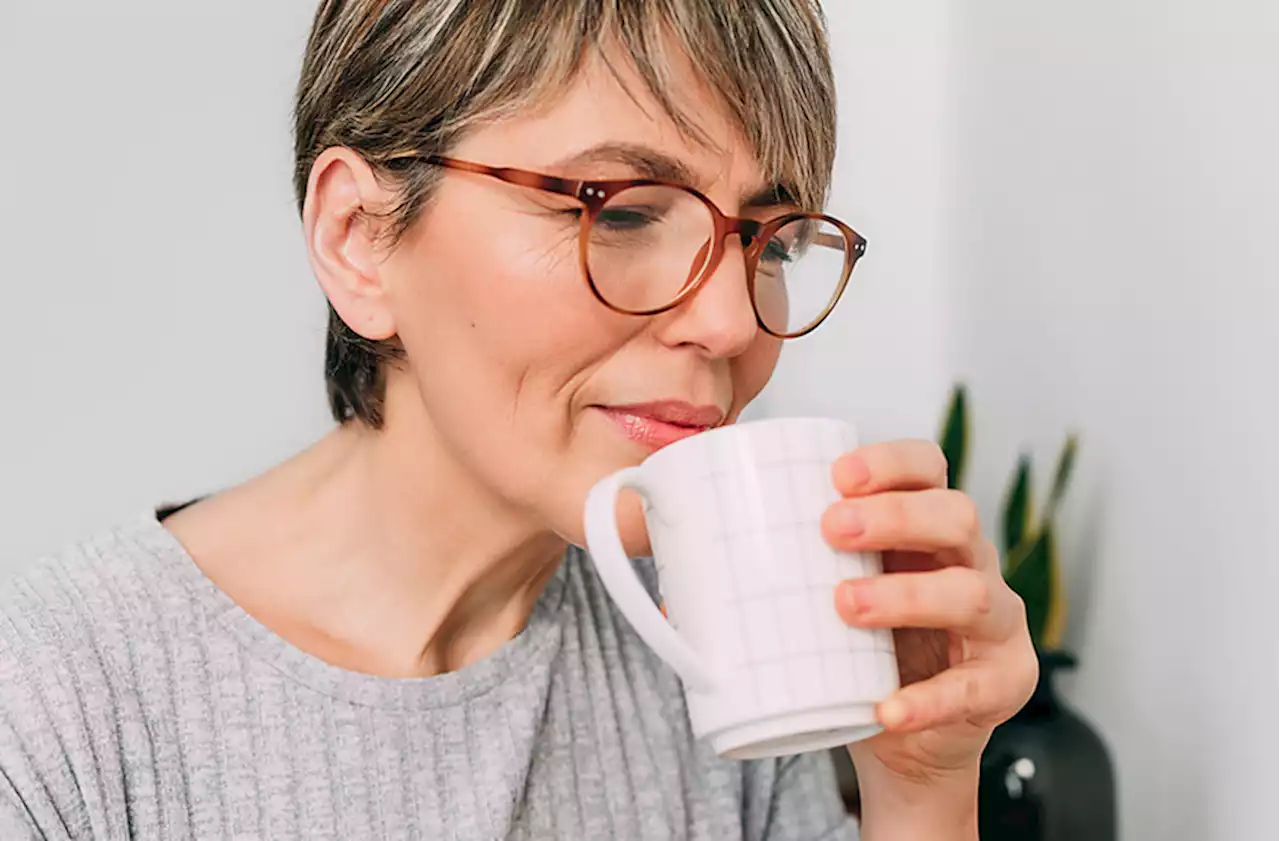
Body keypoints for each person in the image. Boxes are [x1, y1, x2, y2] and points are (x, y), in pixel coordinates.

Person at [0, 1, 1037, 839]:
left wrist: (917, 789)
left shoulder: (715, 663)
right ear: (359, 239)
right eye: (622, 209)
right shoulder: (51, 712)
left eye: (767, 244)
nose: (728, 323)